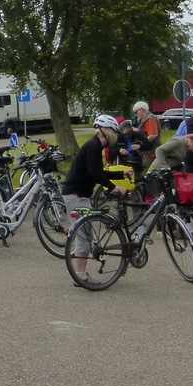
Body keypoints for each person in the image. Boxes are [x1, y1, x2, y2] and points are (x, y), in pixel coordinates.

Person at [63, 115, 124, 274]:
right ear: (109, 133)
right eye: (115, 134)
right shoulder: (93, 147)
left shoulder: (95, 146)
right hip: (76, 195)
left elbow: (97, 172)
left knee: (84, 234)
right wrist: (113, 187)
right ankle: (80, 275)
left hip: (79, 194)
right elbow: (94, 174)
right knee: (84, 236)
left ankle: (79, 268)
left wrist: (121, 175)